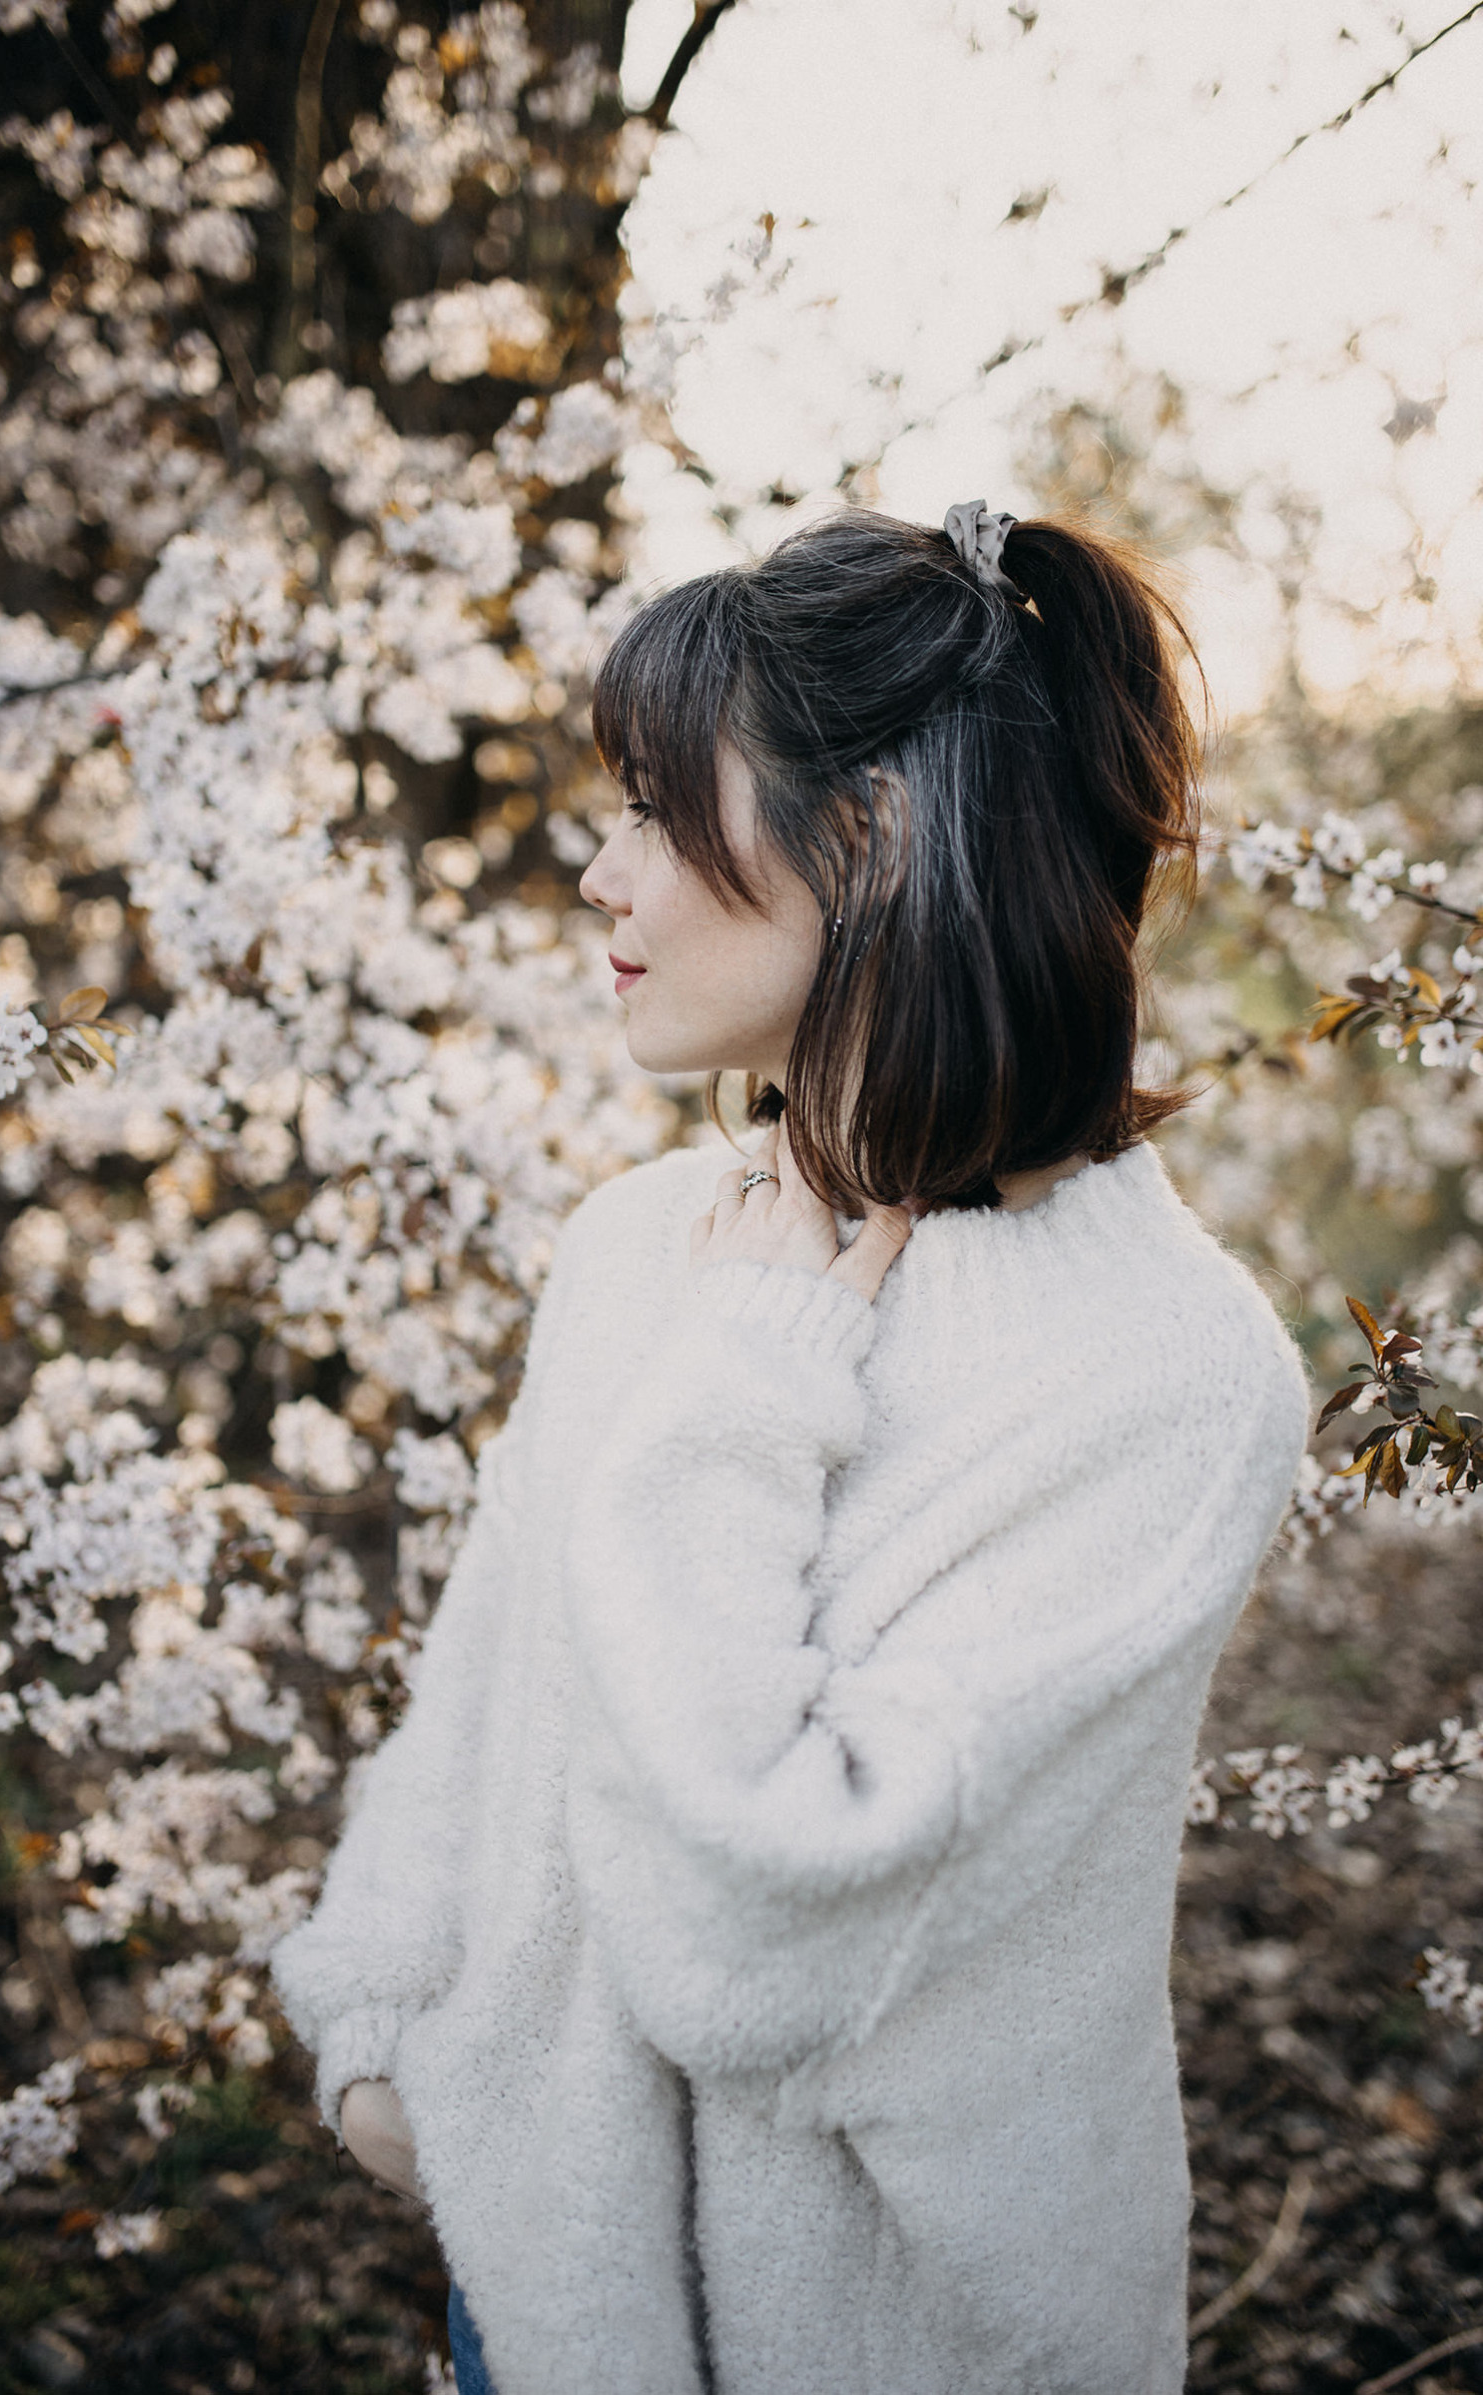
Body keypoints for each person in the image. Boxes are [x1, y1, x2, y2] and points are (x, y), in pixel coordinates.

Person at [270, 503, 1309, 2395]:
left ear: (878, 833)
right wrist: (375, 2022)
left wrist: (756, 1377)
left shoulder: (1159, 1375)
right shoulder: (632, 1252)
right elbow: (498, 1685)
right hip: (540, 2312)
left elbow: (759, 1933)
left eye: (659, 815)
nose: (596, 878)